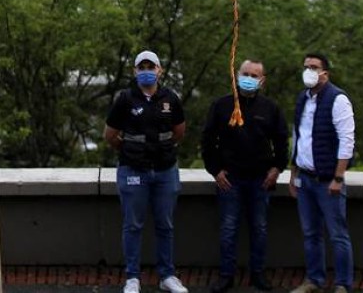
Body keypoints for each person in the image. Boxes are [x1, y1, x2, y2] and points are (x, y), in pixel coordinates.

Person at [200, 60, 290, 292]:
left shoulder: (270, 108)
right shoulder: (221, 105)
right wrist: (215, 170)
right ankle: (226, 276)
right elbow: (207, 140)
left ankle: (258, 274)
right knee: (229, 228)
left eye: (254, 75)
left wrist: (277, 168)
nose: (248, 78)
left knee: (259, 228)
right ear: (236, 75)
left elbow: (282, 141)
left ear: (262, 80)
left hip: (261, 180)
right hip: (230, 179)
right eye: (245, 73)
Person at [104, 51, 190, 293]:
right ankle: (132, 278)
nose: (146, 71)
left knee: (165, 224)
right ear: (134, 71)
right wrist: (131, 151)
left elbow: (179, 132)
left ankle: (167, 276)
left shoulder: (170, 99)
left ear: (160, 70)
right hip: (133, 171)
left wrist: (161, 150)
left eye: (150, 67)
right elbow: (110, 135)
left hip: (165, 171)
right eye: (141, 67)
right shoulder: (125, 99)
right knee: (132, 225)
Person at [288, 53, 355, 293]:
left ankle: (342, 284)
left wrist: (338, 178)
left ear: (325, 73)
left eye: (314, 67)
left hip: (328, 180)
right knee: (310, 233)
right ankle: (314, 280)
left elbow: (347, 141)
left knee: (338, 234)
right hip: (305, 178)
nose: (308, 71)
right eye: (306, 67)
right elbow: (299, 137)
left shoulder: (338, 100)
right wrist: (293, 173)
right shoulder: (302, 99)